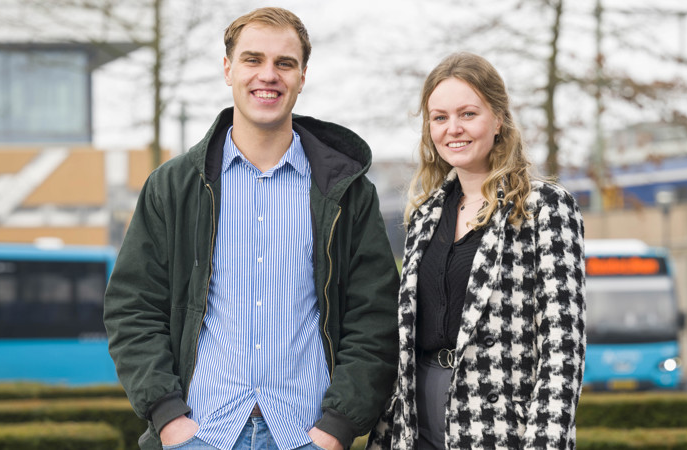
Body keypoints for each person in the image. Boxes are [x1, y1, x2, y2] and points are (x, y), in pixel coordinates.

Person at [103, 7, 399, 450]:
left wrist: (337, 427)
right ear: (228, 69)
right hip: (200, 434)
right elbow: (133, 308)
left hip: (305, 435)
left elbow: (374, 317)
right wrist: (168, 418)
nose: (269, 75)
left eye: (285, 63)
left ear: (302, 76)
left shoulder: (347, 192)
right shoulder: (173, 186)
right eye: (253, 59)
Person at [368, 52, 586, 449]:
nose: (453, 129)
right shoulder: (424, 214)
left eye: (468, 114)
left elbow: (562, 347)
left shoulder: (544, 208)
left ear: (498, 119)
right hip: (414, 424)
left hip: (499, 427)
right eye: (439, 117)